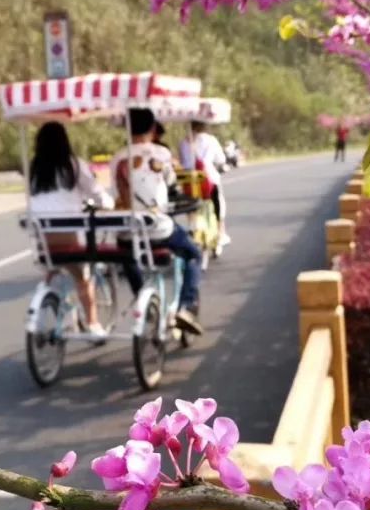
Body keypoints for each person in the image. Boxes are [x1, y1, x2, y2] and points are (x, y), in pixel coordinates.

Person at [110, 109, 204, 335]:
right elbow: (171, 180)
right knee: (194, 253)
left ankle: (142, 295)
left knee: (127, 255)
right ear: (153, 129)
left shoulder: (117, 158)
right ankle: (186, 306)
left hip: (128, 231)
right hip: (157, 228)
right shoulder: (161, 154)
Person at [28, 121, 114, 339]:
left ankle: (46, 296)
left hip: (43, 241)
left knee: (53, 267)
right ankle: (93, 323)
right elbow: (95, 192)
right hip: (70, 238)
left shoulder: (35, 168)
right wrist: (107, 203)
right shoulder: (74, 165)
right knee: (82, 277)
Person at [179, 121, 231, 247]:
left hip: (188, 179)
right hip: (208, 177)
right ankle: (221, 232)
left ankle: (192, 226)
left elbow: (182, 160)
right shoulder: (211, 140)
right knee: (218, 204)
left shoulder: (184, 142)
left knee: (190, 206)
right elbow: (221, 159)